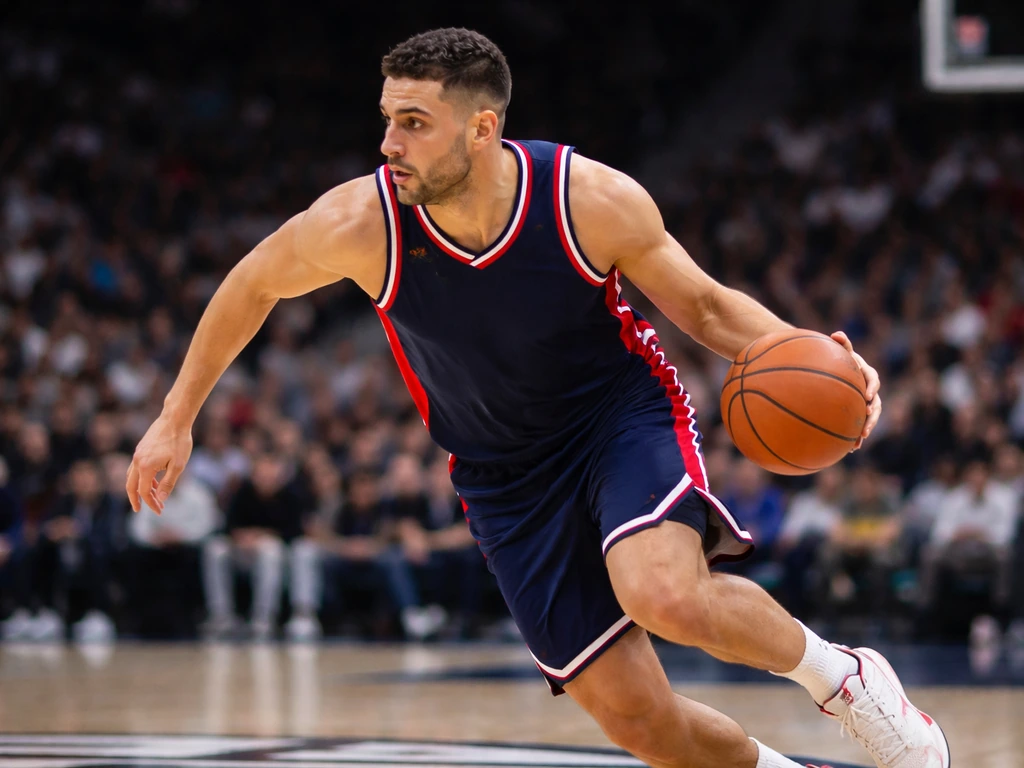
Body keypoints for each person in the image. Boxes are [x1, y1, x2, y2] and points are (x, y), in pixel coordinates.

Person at [125, 28, 947, 768]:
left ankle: (844, 679)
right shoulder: (360, 222)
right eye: (387, 119)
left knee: (661, 591)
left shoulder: (587, 197)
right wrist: (176, 417)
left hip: (615, 419)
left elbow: (703, 307)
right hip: (502, 473)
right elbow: (251, 284)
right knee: (642, 723)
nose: (389, 144)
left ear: (482, 128)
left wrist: (815, 358)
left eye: (414, 121)